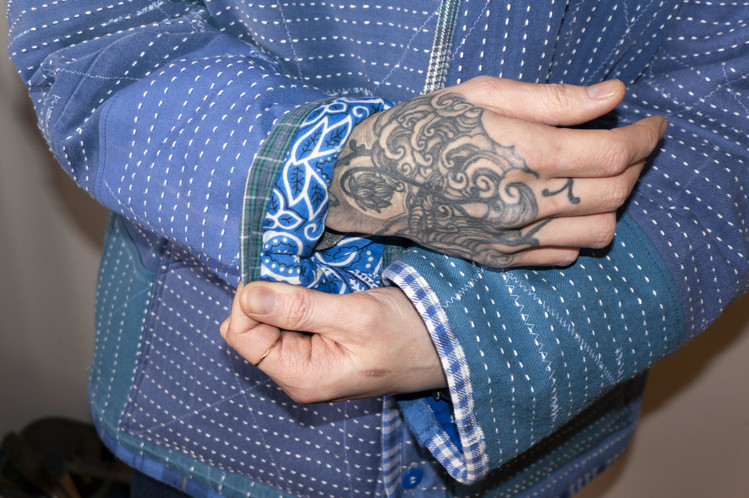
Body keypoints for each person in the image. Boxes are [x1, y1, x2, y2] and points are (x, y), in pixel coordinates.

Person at [7, 1, 747, 497]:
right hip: (208, 408)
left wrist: (465, 329)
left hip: (534, 423)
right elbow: (91, 32)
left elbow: (722, 130)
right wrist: (345, 169)